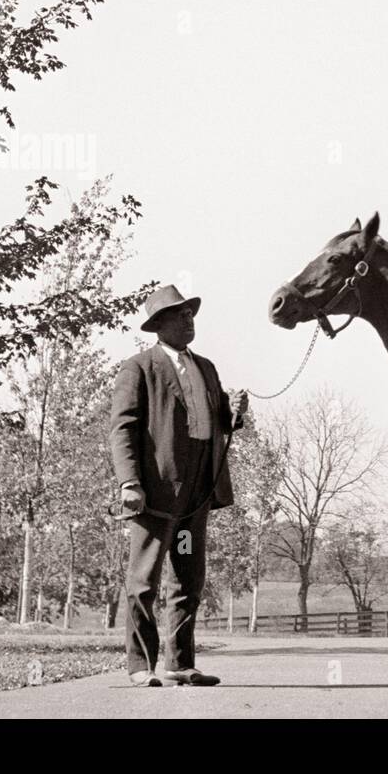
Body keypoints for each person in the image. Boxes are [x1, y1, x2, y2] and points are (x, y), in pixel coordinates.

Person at [109, 284, 248, 686]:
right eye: (180, 315)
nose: (189, 321)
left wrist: (234, 412)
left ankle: (180, 664)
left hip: (197, 492)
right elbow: (122, 429)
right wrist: (129, 482)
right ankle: (139, 667)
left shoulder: (205, 367)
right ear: (159, 325)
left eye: (191, 314)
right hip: (156, 494)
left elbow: (220, 420)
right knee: (144, 580)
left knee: (188, 578)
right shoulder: (139, 368)